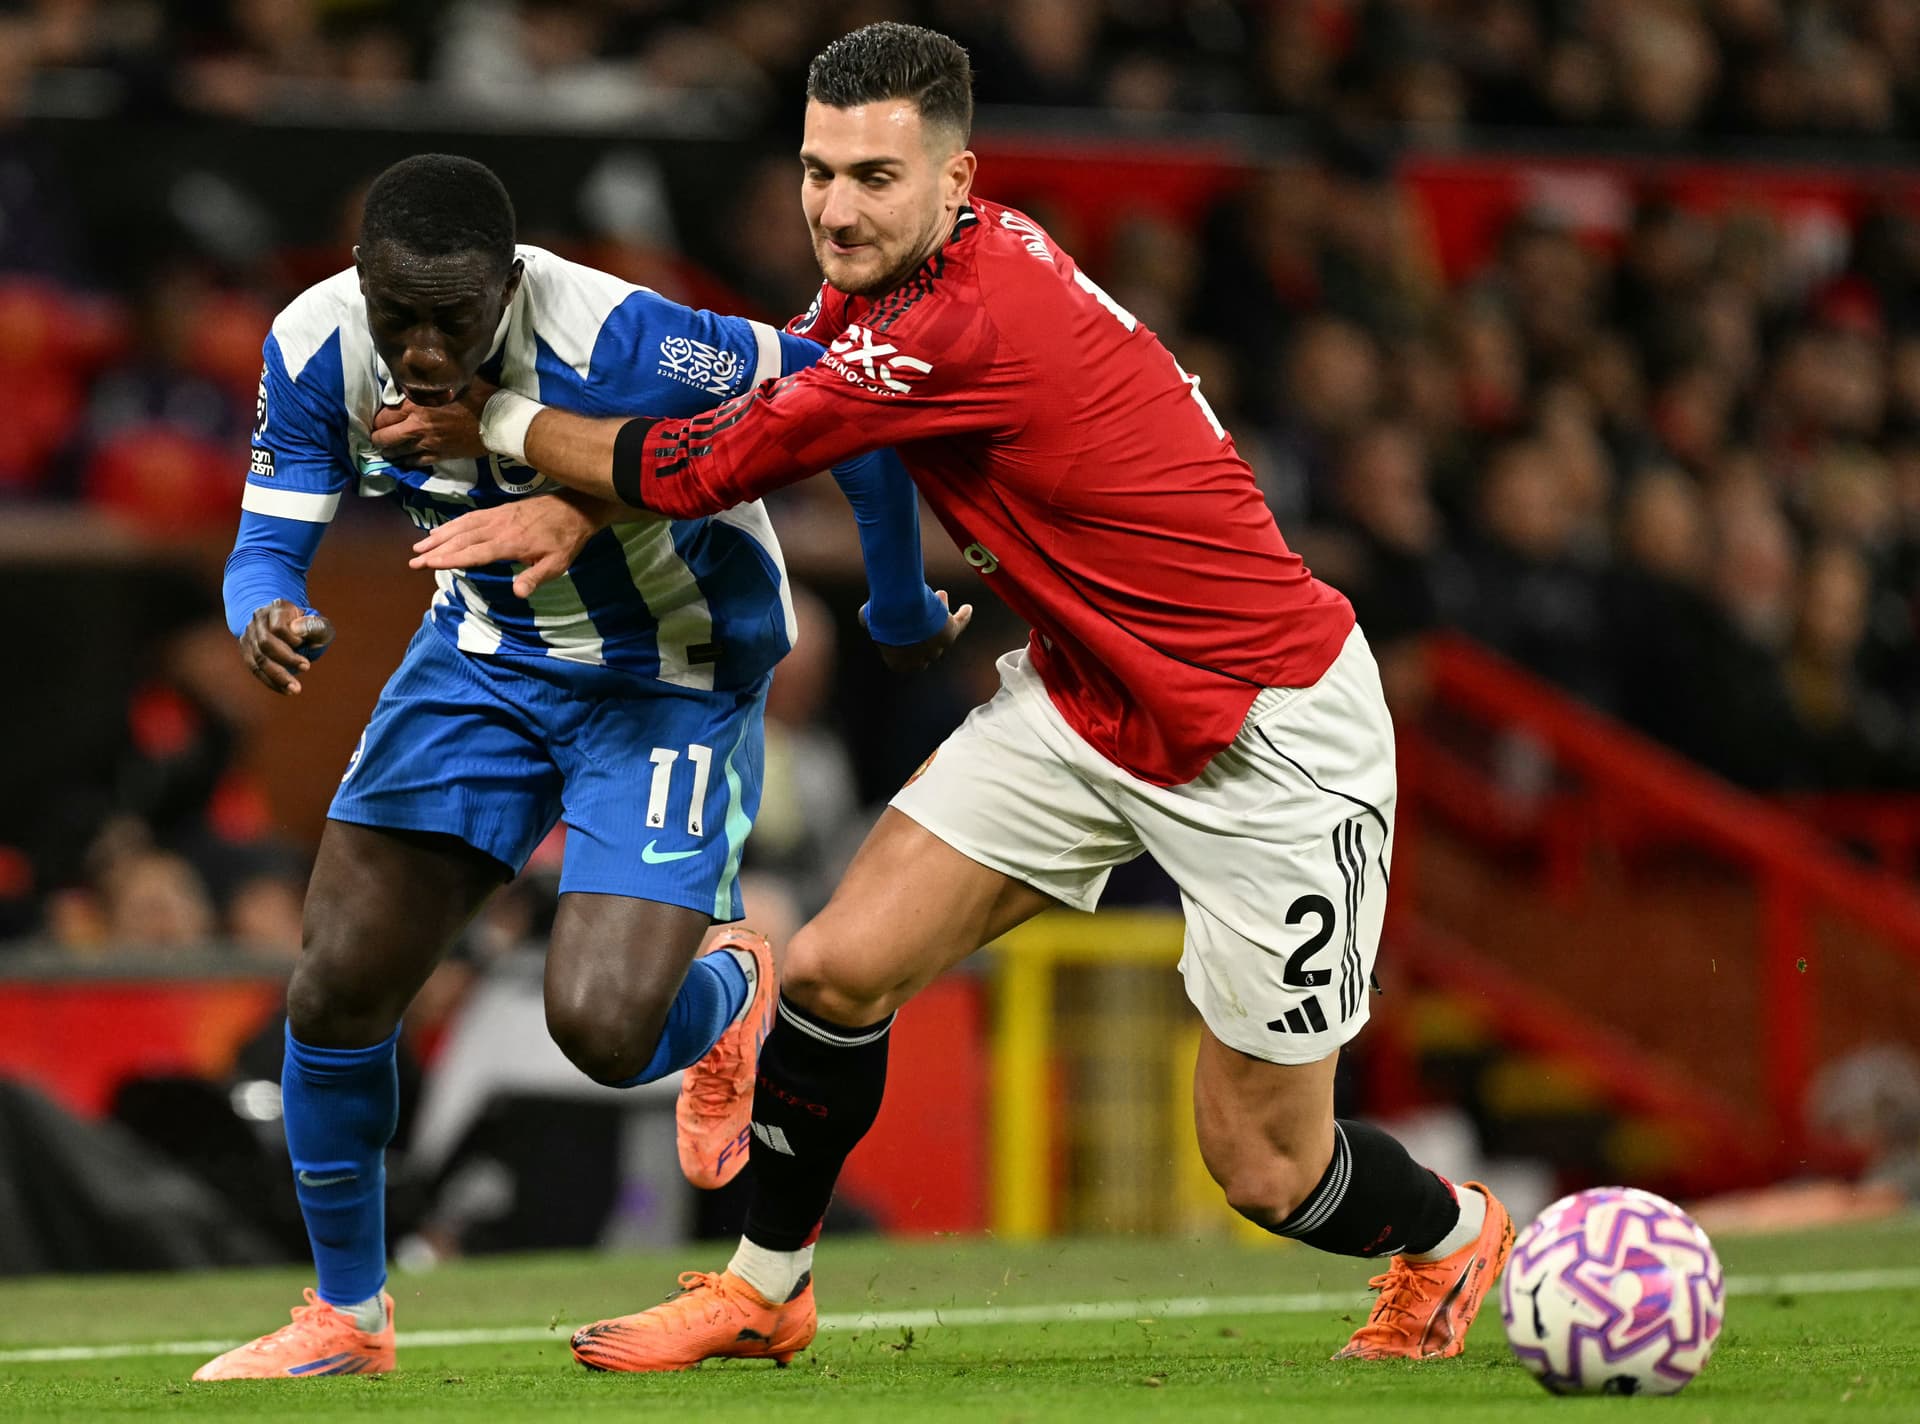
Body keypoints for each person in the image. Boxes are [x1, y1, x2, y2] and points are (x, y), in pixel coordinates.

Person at [393, 23, 1513, 1374]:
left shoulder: (964, 316)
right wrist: (585, 503)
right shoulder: (907, 282)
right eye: (818, 172)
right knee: (835, 970)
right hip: (1092, 696)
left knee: (1267, 1170)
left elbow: (704, 464)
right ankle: (767, 1286)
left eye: (873, 176)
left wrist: (494, 428)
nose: (835, 206)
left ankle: (1448, 1237)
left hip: (1266, 734)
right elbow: (783, 402)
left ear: (957, 177)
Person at [192, 153, 961, 1382]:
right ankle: (348, 1314)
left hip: (672, 667)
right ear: (360, 284)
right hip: (485, 654)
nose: (430, 350)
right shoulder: (315, 342)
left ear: (512, 281)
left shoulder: (623, 333)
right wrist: (268, 606)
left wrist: (899, 594)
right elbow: (265, 543)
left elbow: (837, 402)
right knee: (336, 983)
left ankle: (730, 990)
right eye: (405, 320)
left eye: (459, 318)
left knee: (605, 1029)